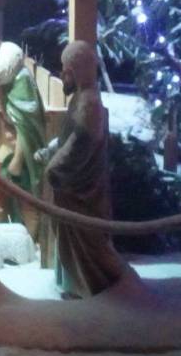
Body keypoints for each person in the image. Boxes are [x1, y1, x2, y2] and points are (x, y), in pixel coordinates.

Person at [45, 40, 136, 297]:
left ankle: (91, 286)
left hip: (83, 191)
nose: (63, 75)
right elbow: (68, 138)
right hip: (74, 186)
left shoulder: (89, 103)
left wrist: (56, 166)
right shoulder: (81, 98)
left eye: (67, 70)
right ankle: (75, 284)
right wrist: (51, 151)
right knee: (74, 241)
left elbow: (80, 142)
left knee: (88, 243)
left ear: (78, 71)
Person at [0, 33, 45, 238]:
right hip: (1, 144)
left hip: (20, 148)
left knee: (25, 195)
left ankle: (29, 240)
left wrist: (18, 159)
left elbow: (26, 124)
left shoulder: (21, 80)